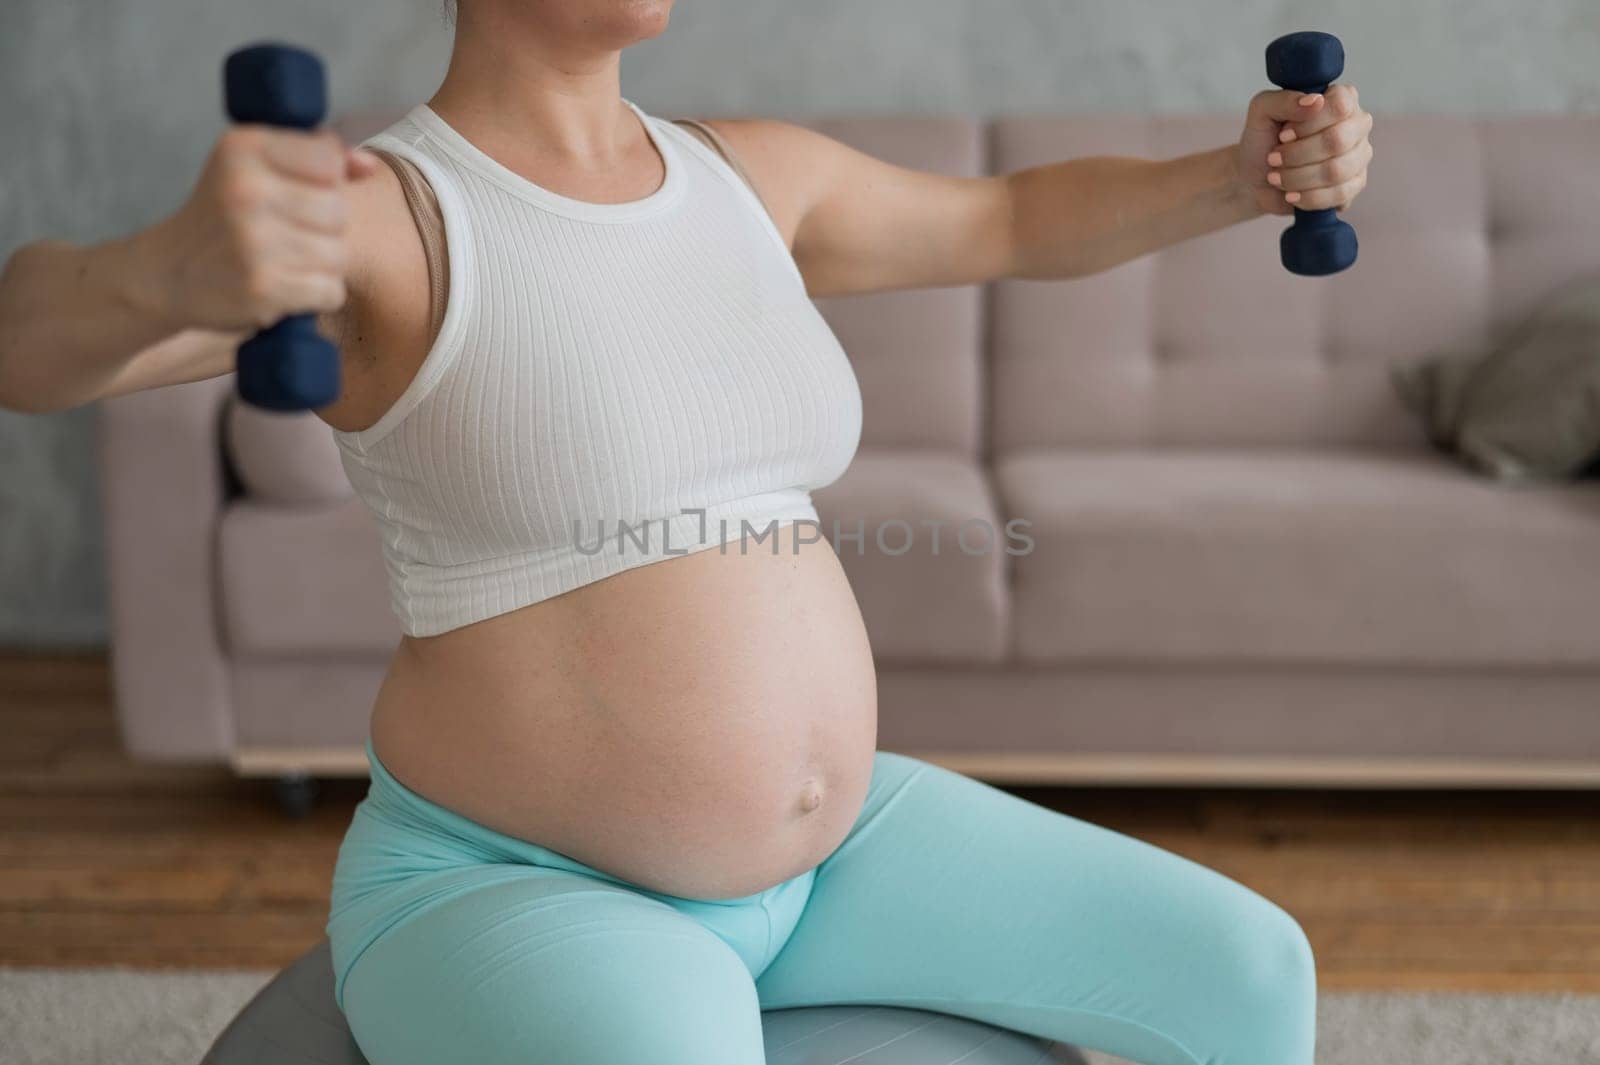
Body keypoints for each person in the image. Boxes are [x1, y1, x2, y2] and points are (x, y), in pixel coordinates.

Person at [0, 3, 1374, 1063]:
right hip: (519, 884)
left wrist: (1241, 176)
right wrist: (167, 270)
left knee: (1249, 970)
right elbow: (27, 343)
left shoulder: (745, 178)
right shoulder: (385, 217)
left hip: (828, 862)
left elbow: (1011, 215)